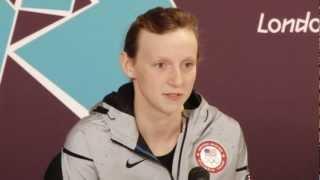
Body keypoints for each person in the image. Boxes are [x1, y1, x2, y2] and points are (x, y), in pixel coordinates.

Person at [45, 6, 250, 180]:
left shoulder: (225, 132)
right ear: (128, 65)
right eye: (161, 65)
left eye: (187, 64)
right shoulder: (90, 141)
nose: (177, 80)